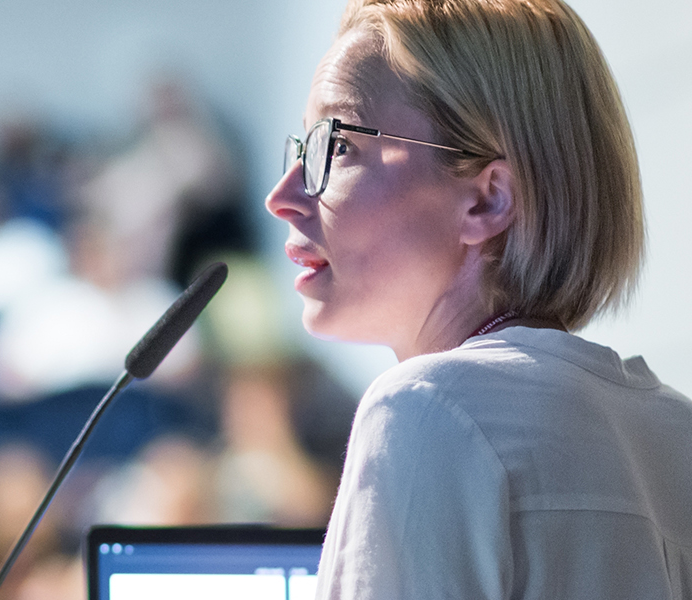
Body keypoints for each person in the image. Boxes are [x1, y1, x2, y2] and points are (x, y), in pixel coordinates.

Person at [264, 1, 689, 597]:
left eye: (335, 144)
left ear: (487, 200)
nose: (281, 196)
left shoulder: (425, 409)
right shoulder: (678, 432)